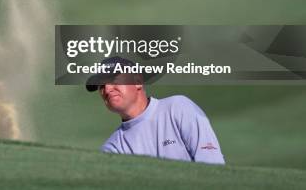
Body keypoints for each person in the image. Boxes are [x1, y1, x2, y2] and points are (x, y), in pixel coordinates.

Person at [86, 57, 225, 164]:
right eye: (101, 86)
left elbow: (212, 166)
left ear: (138, 81)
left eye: (113, 80)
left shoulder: (179, 108)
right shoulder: (112, 148)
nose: (107, 89)